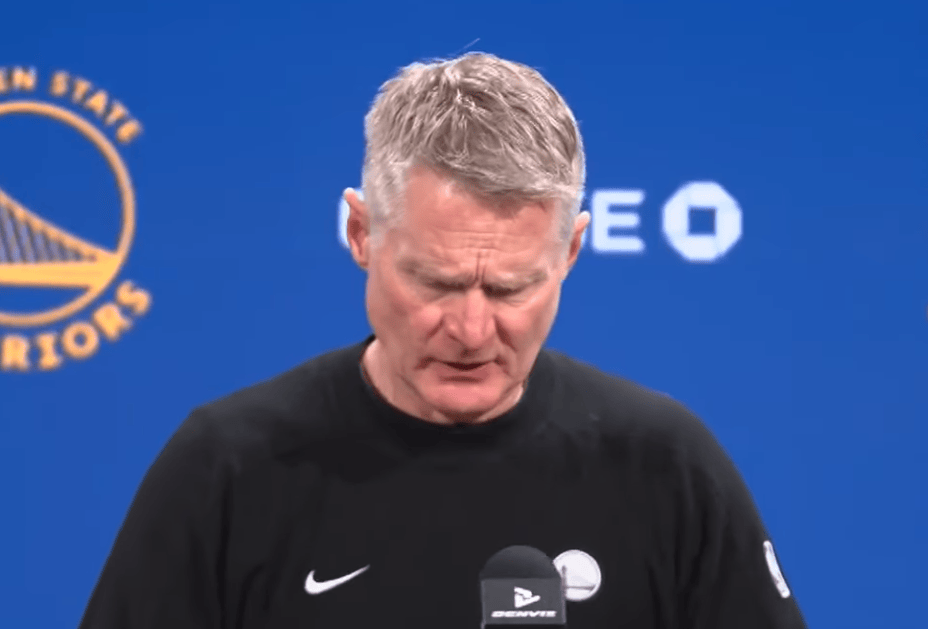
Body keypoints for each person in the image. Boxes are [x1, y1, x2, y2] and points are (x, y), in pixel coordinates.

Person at [78, 52, 807, 628]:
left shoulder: (666, 467)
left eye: (510, 289)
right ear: (361, 233)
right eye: (435, 282)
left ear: (571, 252)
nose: (470, 330)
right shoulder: (226, 470)